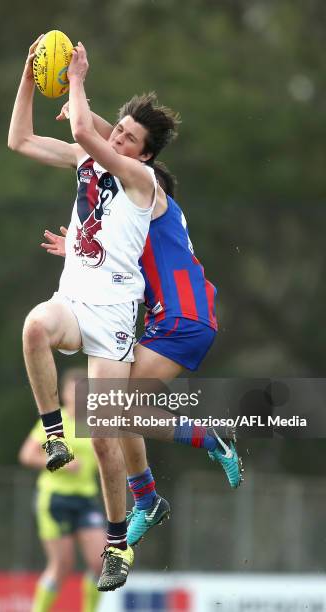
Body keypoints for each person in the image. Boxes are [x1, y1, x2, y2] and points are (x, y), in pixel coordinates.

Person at [9, 36, 181, 591]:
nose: (118, 137)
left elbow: (86, 130)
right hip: (74, 300)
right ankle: (53, 434)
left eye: (129, 138)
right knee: (35, 325)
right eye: (120, 129)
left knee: (106, 437)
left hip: (113, 316)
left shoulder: (143, 181)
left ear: (145, 155)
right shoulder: (93, 156)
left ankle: (117, 545)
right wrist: (30, 78)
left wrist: (78, 78)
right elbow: (20, 140)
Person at [41, 120, 243, 549]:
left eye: (129, 146)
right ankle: (147, 497)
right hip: (173, 322)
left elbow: (102, 140)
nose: (116, 151)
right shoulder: (134, 212)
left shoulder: (149, 194)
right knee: (112, 408)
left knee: (110, 411)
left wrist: (80, 99)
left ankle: (206, 441)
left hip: (182, 321)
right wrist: (75, 247)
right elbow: (115, 140)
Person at [19, 368, 105, 612]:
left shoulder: (95, 424)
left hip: (86, 498)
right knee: (62, 565)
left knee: (101, 563)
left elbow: (106, 458)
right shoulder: (53, 422)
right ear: (64, 394)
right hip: (55, 498)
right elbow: (27, 455)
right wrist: (62, 463)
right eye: (73, 391)